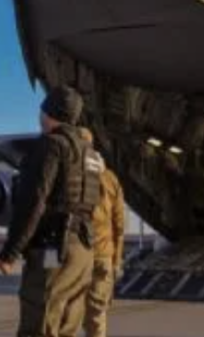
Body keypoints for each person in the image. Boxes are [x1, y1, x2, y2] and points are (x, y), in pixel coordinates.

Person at [0, 86, 103, 337]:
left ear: (49, 113)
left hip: (54, 250)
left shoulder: (50, 146)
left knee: (39, 321)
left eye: (42, 110)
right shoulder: (90, 154)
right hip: (83, 251)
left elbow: (33, 202)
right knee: (67, 327)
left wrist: (10, 252)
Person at [78, 129, 124, 337]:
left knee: (64, 313)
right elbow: (119, 225)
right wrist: (116, 261)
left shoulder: (69, 173)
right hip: (103, 255)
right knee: (96, 316)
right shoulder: (110, 178)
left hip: (75, 254)